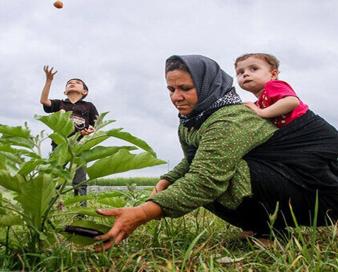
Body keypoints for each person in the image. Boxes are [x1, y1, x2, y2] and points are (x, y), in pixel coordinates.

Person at [95, 55, 338, 250]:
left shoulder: (229, 119)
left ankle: (270, 231)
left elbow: (205, 178)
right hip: (289, 180)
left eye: (185, 88)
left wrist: (143, 213)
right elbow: (195, 158)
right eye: (171, 89)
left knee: (217, 177)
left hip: (322, 195)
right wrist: (167, 178)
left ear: (206, 85)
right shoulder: (193, 120)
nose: (176, 97)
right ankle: (266, 229)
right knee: (198, 174)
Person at [40, 66, 99, 206]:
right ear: (65, 91)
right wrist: (49, 80)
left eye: (77, 82)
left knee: (80, 179)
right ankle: (51, 206)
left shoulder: (88, 106)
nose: (72, 83)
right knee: (54, 177)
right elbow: (44, 101)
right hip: (60, 146)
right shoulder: (60, 104)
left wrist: (88, 131)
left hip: (80, 147)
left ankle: (80, 210)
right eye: (69, 83)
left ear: (85, 91)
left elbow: (95, 124)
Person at [235, 53, 308, 128]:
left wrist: (261, 112)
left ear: (273, 75)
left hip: (308, 126)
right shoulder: (258, 104)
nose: (245, 74)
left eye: (254, 69)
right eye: (240, 72)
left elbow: (292, 101)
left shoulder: (273, 85)